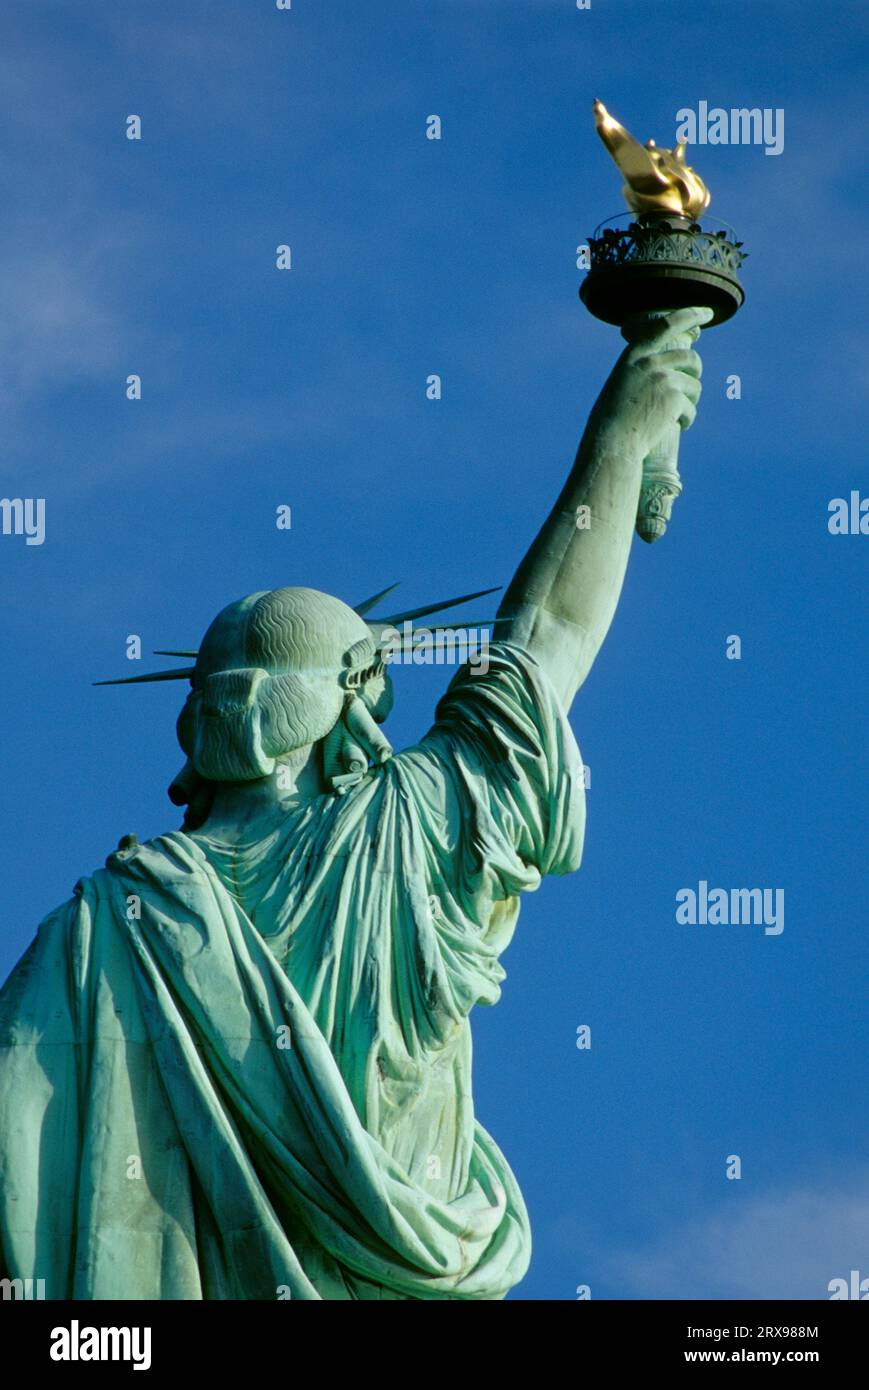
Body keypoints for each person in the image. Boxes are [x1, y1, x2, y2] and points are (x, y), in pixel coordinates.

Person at [0, 308, 707, 1300]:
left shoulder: (104, 927)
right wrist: (623, 438)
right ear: (350, 715)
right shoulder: (409, 831)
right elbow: (544, 637)